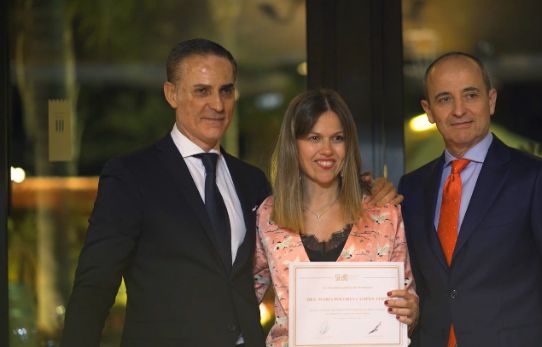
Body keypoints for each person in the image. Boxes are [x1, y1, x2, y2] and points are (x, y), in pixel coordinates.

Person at [60, 39, 399, 347]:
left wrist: (365, 187)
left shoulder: (251, 183)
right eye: (202, 91)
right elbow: (95, 286)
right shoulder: (132, 175)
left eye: (226, 90)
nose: (217, 104)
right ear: (171, 94)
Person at [398, 52, 542, 347]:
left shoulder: (535, 178)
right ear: (428, 110)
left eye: (470, 95)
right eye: (444, 99)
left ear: (491, 101)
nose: (459, 110)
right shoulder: (411, 188)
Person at [253, 89, 419, 347]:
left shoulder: (383, 212)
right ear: (293, 145)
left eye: (337, 138)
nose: (327, 150)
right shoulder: (269, 215)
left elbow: (406, 299)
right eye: (314, 138)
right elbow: (243, 298)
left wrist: (411, 311)